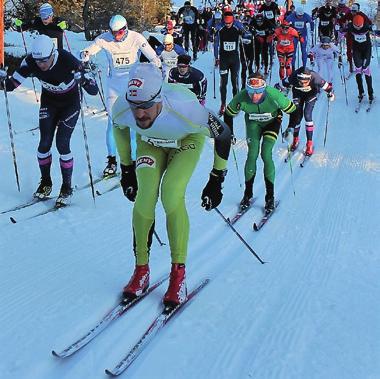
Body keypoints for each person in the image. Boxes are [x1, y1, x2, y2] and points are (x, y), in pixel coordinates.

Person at [111, 63, 231, 306]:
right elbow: (119, 127)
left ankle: (178, 276)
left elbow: (224, 133)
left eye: (145, 107)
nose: (139, 114)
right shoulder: (123, 107)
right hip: (151, 143)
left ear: (159, 99)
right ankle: (141, 270)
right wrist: (126, 169)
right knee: (145, 197)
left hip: (186, 140)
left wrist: (217, 178)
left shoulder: (185, 109)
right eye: (135, 107)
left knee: (171, 193)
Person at [0, 35, 98, 206]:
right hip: (49, 103)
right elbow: (10, 85)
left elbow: (94, 90)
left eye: (45, 60)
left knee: (62, 143)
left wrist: (83, 80)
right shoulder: (30, 61)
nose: (41, 65)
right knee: (44, 143)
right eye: (38, 61)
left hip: (70, 104)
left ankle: (66, 187)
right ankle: (46, 183)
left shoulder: (68, 60)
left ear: (53, 53)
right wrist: (1, 79)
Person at [81, 15, 161, 178]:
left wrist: (155, 64)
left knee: (134, 122)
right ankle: (111, 161)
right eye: (113, 32)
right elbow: (90, 49)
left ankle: (133, 159)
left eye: (119, 32)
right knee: (113, 122)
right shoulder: (104, 39)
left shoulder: (136, 37)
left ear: (125, 29)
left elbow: (152, 56)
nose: (116, 36)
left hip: (133, 85)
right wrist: (85, 53)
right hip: (114, 86)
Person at [224, 72, 296, 212]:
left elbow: (294, 111)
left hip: (272, 122)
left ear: (264, 89)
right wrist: (230, 133)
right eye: (251, 92)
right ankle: (247, 194)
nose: (254, 96)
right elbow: (228, 114)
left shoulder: (274, 95)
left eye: (258, 92)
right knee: (252, 154)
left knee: (266, 153)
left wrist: (291, 129)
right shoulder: (242, 97)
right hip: (253, 124)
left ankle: (270, 197)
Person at [283, 67, 335, 156]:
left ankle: (309, 143)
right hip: (298, 94)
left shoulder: (315, 78)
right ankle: (295, 139)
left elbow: (328, 87)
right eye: (301, 82)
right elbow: (282, 83)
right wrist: (278, 89)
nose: (303, 84)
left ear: (309, 78)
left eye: (305, 82)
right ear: (298, 78)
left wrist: (330, 94)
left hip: (311, 95)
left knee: (307, 115)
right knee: (297, 117)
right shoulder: (293, 76)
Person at [214, 11, 246, 115]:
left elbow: (245, 31)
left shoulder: (237, 27)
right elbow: (216, 43)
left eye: (229, 23)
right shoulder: (220, 29)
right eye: (226, 23)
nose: (228, 25)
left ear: (233, 21)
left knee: (234, 82)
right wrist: (216, 57)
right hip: (223, 59)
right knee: (223, 83)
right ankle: (223, 104)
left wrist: (244, 32)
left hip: (234, 59)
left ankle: (235, 103)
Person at [346, 14, 374, 102]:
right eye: (356, 26)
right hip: (356, 50)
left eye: (360, 26)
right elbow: (342, 31)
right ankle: (361, 92)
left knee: (365, 69)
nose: (358, 28)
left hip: (366, 50)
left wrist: (375, 30)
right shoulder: (350, 27)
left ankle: (370, 93)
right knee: (358, 69)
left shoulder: (367, 27)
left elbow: (376, 31)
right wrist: (339, 30)